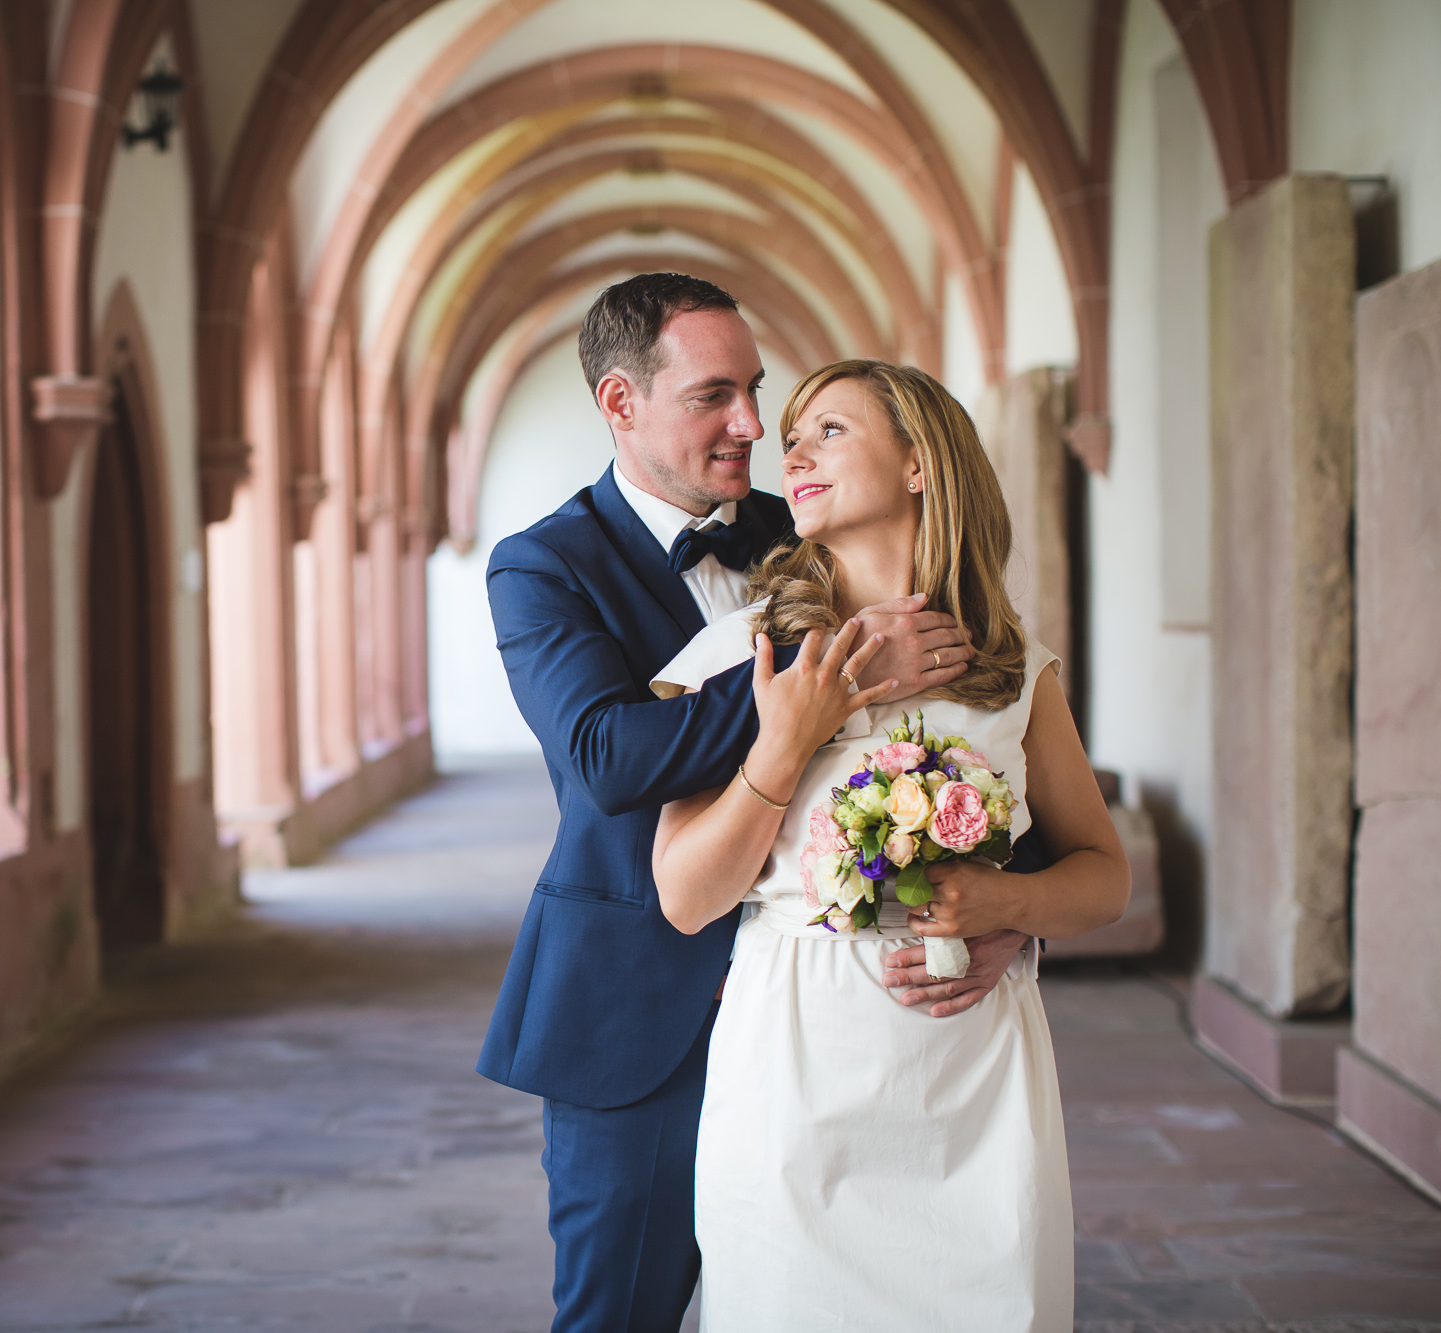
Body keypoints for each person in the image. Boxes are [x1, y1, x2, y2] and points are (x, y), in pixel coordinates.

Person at [476, 273, 1031, 1333]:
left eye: (756, 393)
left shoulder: (810, 524)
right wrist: (834, 673)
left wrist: (1007, 914)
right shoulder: (541, 564)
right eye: (711, 396)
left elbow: (976, 758)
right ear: (619, 404)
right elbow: (606, 755)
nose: (751, 428)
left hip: (835, 1026)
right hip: (638, 1013)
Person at [650, 359, 1132, 1330]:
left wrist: (1006, 906)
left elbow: (1102, 877)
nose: (792, 451)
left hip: (970, 1069)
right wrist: (786, 740)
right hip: (793, 1055)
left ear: (918, 465)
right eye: (793, 435)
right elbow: (685, 895)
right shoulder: (741, 656)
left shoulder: (1009, 671)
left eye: (828, 428)